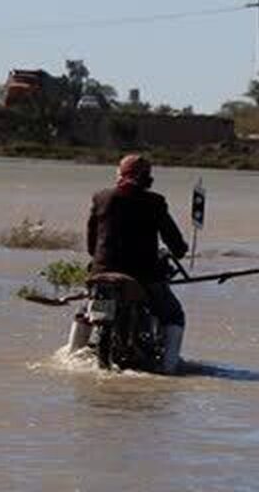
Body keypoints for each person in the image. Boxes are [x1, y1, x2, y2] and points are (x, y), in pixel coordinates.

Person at [84, 154, 189, 373]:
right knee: (173, 314)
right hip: (144, 277)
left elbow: (91, 241)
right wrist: (181, 250)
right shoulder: (155, 202)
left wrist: (98, 259)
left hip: (103, 272)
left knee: (85, 312)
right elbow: (174, 241)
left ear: (120, 174)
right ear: (147, 178)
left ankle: (71, 352)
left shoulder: (101, 197)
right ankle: (169, 367)